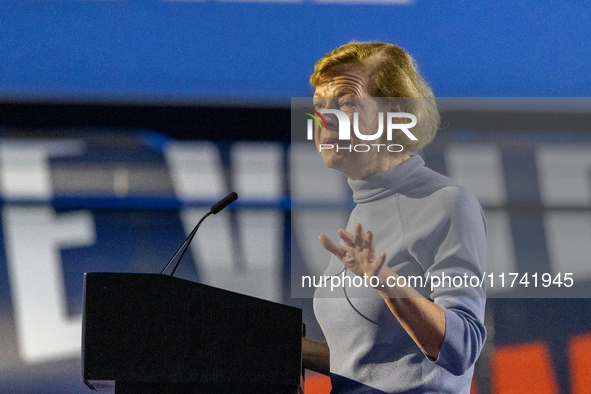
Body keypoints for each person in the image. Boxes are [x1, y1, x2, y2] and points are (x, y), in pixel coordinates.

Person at [301, 42, 487, 393]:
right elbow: (371, 364)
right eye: (319, 108)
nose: (325, 121)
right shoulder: (362, 211)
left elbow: (463, 348)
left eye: (345, 104)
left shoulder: (446, 203)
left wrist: (384, 279)